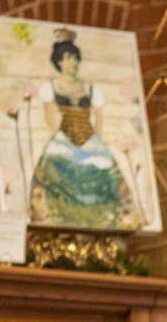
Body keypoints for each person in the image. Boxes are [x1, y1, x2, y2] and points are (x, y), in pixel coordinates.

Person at [29, 27, 140, 230]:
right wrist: (59, 135)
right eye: (68, 58)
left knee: (105, 175)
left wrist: (95, 139)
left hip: (89, 139)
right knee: (53, 176)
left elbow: (98, 116)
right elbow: (49, 114)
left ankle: (103, 219)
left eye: (75, 58)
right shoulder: (51, 88)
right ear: (59, 61)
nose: (73, 63)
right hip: (63, 139)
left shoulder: (89, 89)